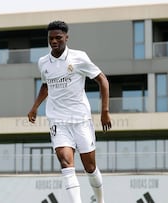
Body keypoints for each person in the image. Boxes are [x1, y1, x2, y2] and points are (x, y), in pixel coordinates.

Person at [28, 20, 111, 203]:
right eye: (51, 38)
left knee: (90, 167)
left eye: (58, 38)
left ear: (66, 37)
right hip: (58, 121)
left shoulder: (79, 58)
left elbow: (103, 80)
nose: (54, 41)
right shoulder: (43, 62)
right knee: (66, 163)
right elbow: (46, 85)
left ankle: (101, 201)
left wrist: (104, 111)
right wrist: (35, 107)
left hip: (81, 120)